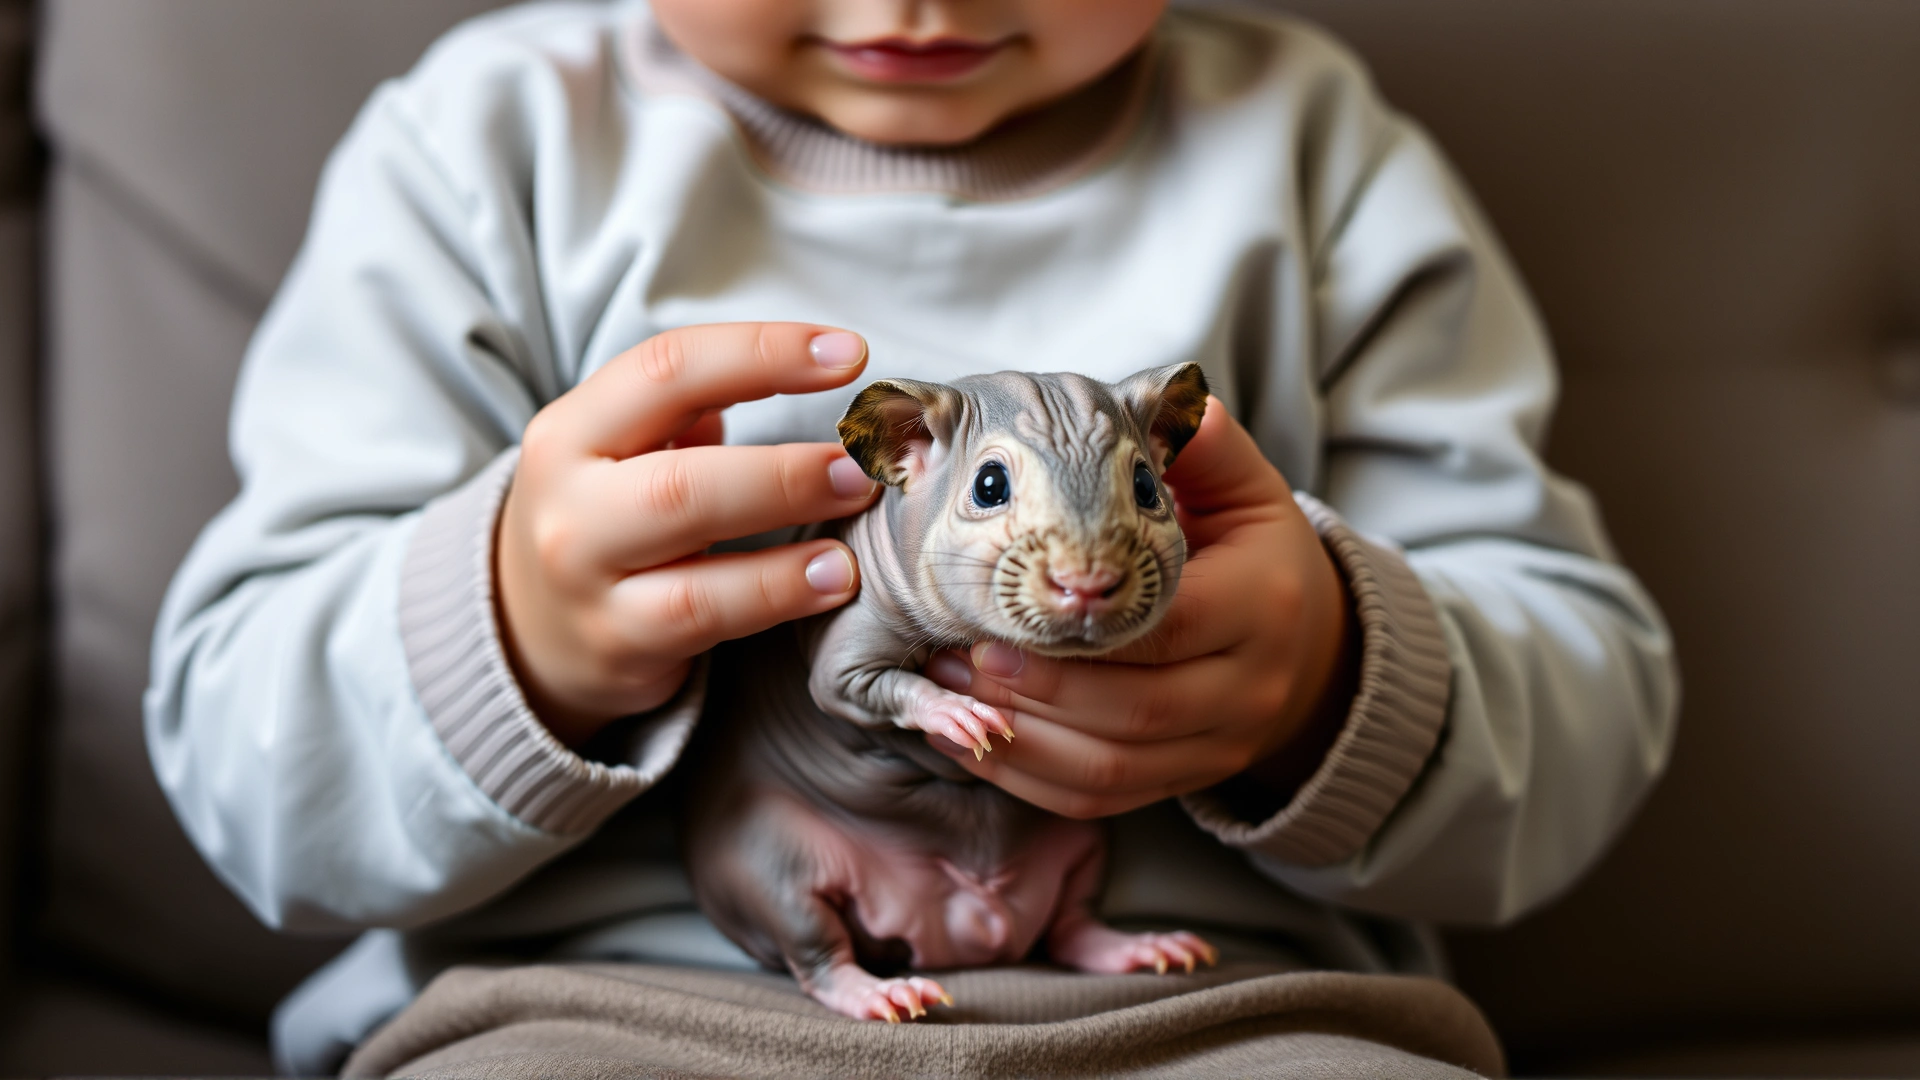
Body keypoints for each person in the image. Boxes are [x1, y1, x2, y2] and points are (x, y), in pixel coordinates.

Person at [144, 0, 1678, 1073]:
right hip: (600, 1012)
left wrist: (1339, 678)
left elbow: (1592, 701)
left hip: (1230, 1023)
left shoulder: (1313, 152)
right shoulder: (485, 150)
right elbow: (239, 759)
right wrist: (508, 642)